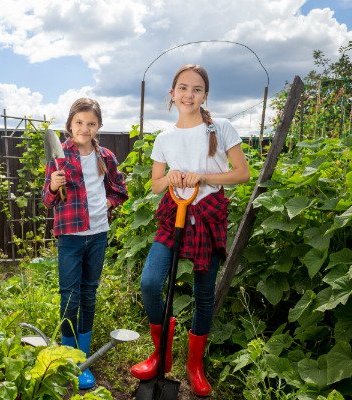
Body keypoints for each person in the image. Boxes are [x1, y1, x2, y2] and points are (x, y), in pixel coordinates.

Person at [129, 64, 250, 397]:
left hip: (207, 214)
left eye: (197, 89)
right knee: (151, 281)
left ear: (205, 95)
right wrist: (170, 177)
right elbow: (155, 185)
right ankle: (161, 352)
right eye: (182, 88)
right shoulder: (164, 138)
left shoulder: (221, 128)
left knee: (203, 293)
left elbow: (242, 174)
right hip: (174, 212)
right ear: (172, 93)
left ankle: (195, 366)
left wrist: (203, 176)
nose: (189, 94)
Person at [42, 97, 128, 390]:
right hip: (70, 237)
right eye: (79, 122)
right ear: (69, 125)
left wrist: (107, 202)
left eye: (91, 123)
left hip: (98, 234)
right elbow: (46, 199)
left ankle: (84, 358)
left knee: (89, 293)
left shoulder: (105, 156)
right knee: (70, 295)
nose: (84, 128)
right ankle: (69, 357)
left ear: (98, 126)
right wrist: (54, 185)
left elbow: (120, 190)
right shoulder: (59, 157)